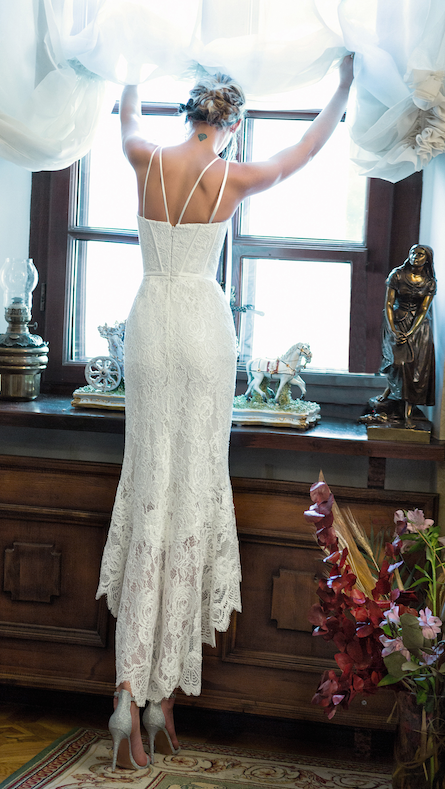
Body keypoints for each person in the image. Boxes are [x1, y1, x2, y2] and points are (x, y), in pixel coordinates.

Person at [96, 54, 354, 770]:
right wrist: (340, 88)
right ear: (231, 123)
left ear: (188, 115)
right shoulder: (231, 177)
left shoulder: (144, 157)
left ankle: (131, 694)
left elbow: (125, 116)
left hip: (151, 321)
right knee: (192, 491)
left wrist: (129, 70)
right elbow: (305, 150)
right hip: (201, 331)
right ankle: (162, 694)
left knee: (150, 490)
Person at [378, 244, 436, 425]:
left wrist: (411, 332)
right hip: (396, 321)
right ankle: (390, 390)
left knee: (414, 370)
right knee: (397, 363)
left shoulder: (429, 282)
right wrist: (394, 330)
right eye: (413, 253)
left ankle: (408, 413)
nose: (415, 256)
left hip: (419, 327)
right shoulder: (397, 275)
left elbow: (424, 309)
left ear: (427, 258)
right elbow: (388, 304)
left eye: (420, 254)